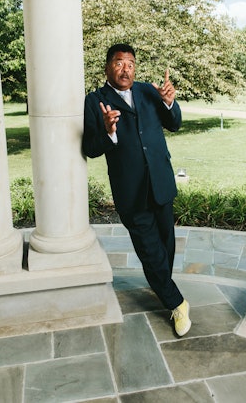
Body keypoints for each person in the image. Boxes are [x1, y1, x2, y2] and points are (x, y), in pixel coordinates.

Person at [82, 43, 191, 336]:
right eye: (119, 63)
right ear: (107, 67)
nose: (125, 68)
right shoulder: (95, 101)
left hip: (161, 182)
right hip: (130, 191)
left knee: (165, 247)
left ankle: (162, 286)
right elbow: (90, 148)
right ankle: (177, 303)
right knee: (150, 251)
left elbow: (175, 124)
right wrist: (108, 132)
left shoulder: (147, 91)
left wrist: (169, 103)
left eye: (130, 63)